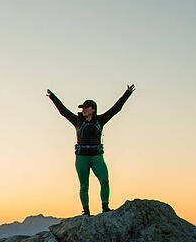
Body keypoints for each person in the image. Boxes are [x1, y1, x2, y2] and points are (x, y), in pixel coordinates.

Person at [46, 85, 135, 215]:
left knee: (104, 180)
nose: (83, 110)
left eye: (86, 107)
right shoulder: (77, 121)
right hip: (82, 158)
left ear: (93, 109)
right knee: (84, 186)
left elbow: (116, 108)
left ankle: (105, 208)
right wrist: (52, 97)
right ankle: (86, 212)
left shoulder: (100, 120)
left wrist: (127, 93)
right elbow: (63, 111)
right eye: (82, 108)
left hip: (97, 157)